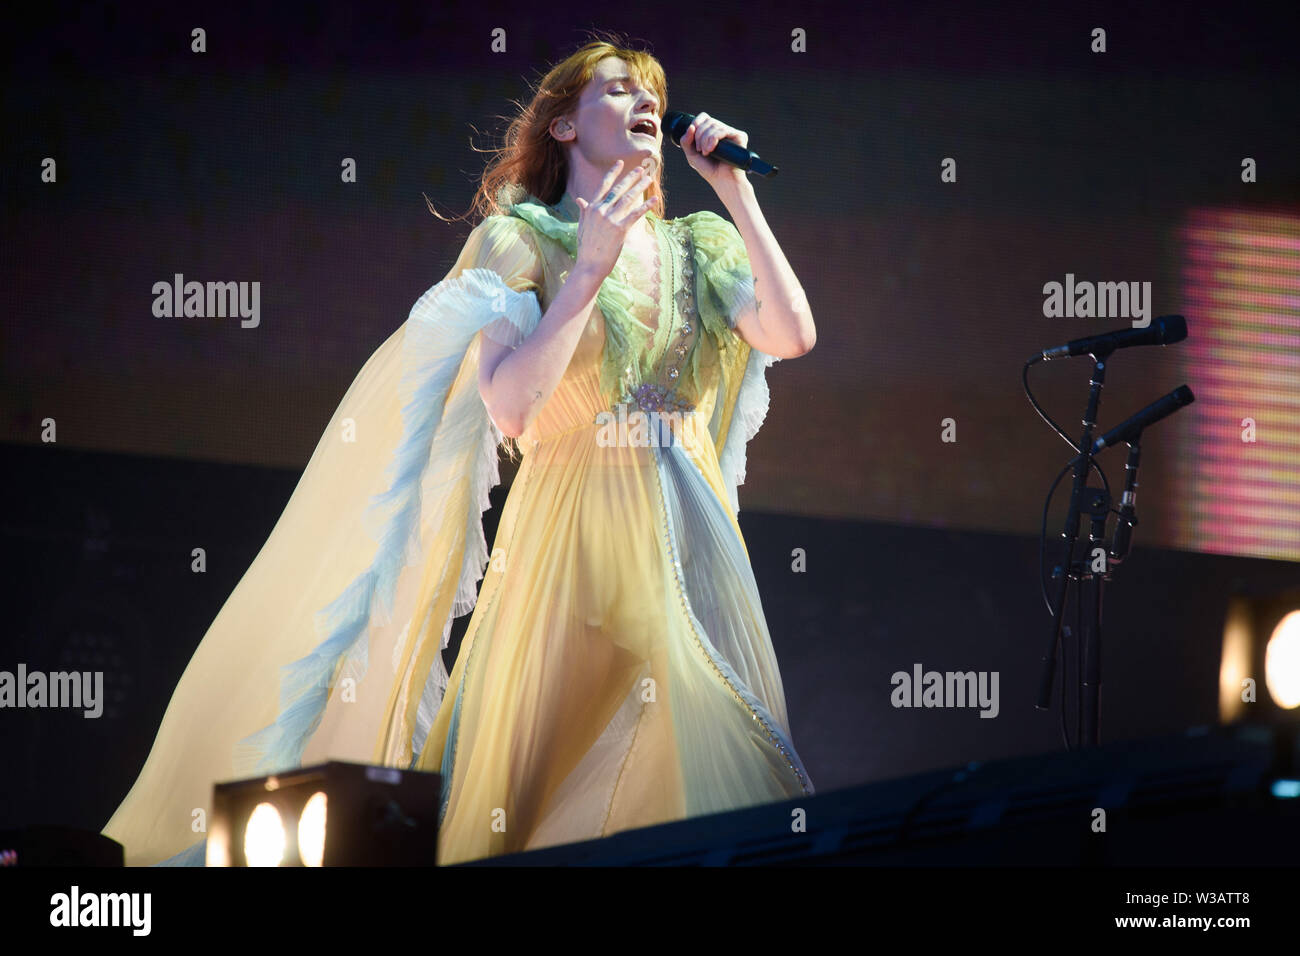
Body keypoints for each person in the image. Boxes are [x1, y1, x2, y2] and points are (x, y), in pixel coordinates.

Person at [101, 36, 817, 867]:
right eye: (617, 89)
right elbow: (511, 407)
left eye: (652, 91)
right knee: (531, 771)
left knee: (716, 741)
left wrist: (735, 193)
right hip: (572, 530)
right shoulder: (526, 240)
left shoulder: (699, 242)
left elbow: (792, 333)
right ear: (562, 127)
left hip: (693, 533)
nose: (645, 101)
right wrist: (587, 273)